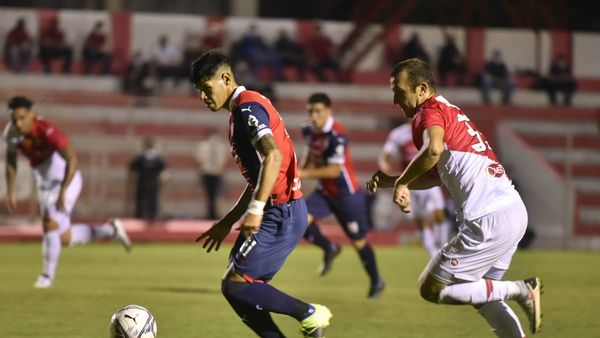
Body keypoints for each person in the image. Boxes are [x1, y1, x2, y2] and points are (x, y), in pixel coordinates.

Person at [367, 58, 542, 337]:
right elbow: (438, 174)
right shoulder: (448, 110)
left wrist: (401, 182)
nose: (395, 100)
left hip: (487, 219)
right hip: (512, 209)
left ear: (422, 89)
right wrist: (394, 182)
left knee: (432, 288)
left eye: (399, 91)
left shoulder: (428, 113)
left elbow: (433, 150)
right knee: (484, 297)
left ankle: (521, 289)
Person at [191, 50, 332, 338]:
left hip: (281, 211)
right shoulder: (241, 110)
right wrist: (229, 220)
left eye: (207, 89)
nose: (204, 98)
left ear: (226, 78)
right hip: (278, 210)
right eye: (200, 92)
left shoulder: (246, 107)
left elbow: (273, 156)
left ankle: (309, 313)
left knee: (236, 284)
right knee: (238, 291)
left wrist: (255, 210)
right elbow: (258, 177)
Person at [3, 96, 131, 289]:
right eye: (14, 119)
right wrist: (10, 191)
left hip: (66, 180)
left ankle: (46, 277)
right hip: (45, 184)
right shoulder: (11, 133)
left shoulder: (47, 130)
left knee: (50, 223)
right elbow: (11, 162)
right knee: (64, 237)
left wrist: (64, 189)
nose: (18, 124)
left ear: (32, 115)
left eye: (22, 118)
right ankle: (110, 229)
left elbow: (71, 158)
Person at [299, 93, 385, 298]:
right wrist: (301, 170)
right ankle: (330, 247)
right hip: (324, 192)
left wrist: (301, 173)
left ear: (329, 111)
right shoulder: (308, 130)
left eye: (318, 111)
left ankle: (376, 280)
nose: (314, 115)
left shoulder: (338, 133)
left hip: (347, 195)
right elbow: (311, 152)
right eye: (311, 111)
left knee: (359, 242)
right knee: (300, 220)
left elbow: (334, 171)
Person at [378, 120, 451, 256]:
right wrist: (386, 169)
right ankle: (433, 254)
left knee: (439, 213)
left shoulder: (430, 129)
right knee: (420, 220)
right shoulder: (398, 134)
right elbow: (385, 156)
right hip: (412, 183)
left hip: (429, 179)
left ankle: (442, 247)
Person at [128, 137, 168, 221]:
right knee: (148, 199)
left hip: (146, 181)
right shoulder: (145, 156)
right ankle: (149, 215)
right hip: (149, 181)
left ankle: (142, 215)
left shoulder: (151, 157)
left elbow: (132, 167)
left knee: (147, 199)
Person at [195, 130, 228, 219]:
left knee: (212, 195)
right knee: (214, 194)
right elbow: (222, 162)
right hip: (214, 173)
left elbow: (200, 162)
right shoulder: (219, 146)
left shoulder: (203, 146)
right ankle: (213, 213)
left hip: (209, 173)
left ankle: (212, 213)